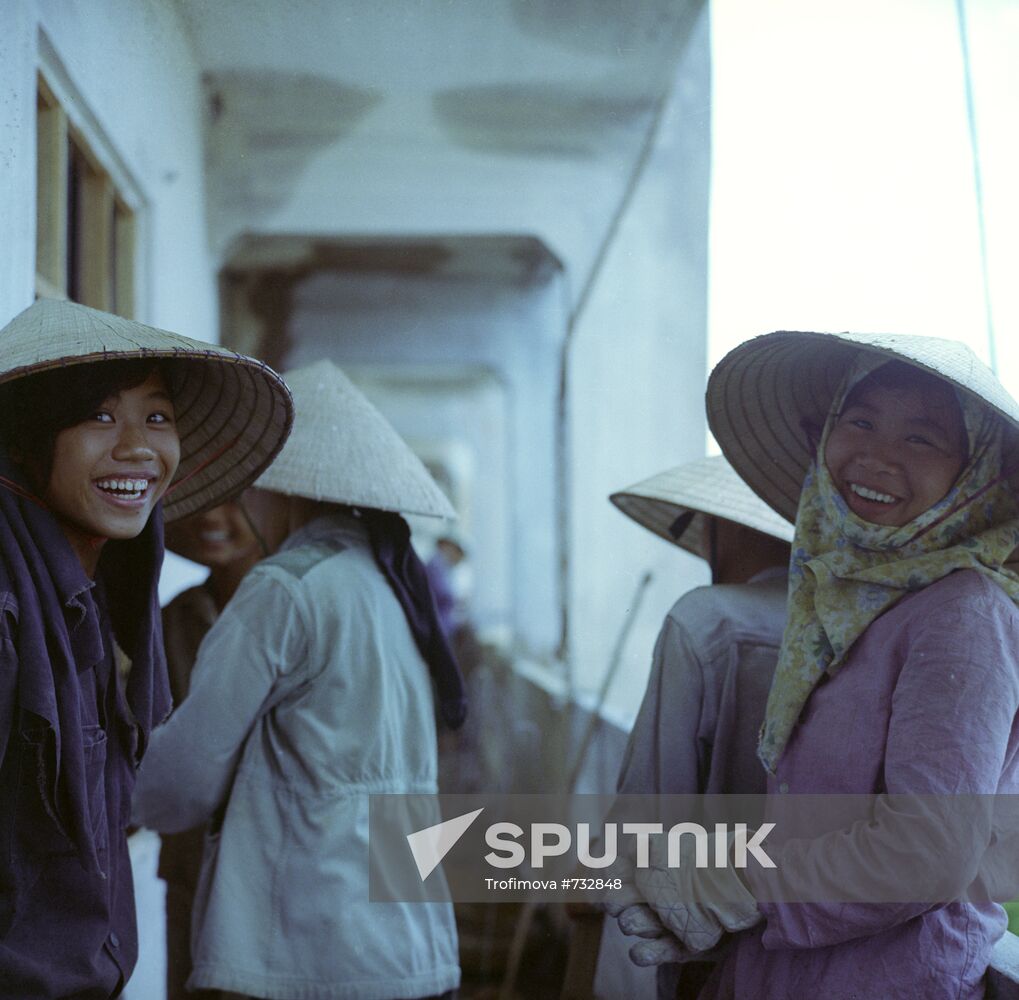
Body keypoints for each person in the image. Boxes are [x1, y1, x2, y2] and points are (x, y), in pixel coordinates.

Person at [621, 331, 1019, 999]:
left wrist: (737, 888)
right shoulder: (854, 599)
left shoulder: (964, 612)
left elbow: (927, 853)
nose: (874, 455)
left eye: (920, 439)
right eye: (857, 421)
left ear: (974, 474)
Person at [133, 359, 464, 999]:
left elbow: (183, 785)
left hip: (307, 951)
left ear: (277, 483)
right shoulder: (388, 582)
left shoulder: (286, 587)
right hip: (410, 946)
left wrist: (118, 797)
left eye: (246, 479)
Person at [0, 298, 291, 999]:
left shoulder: (91, 607)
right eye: (99, 415)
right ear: (27, 439)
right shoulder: (11, 606)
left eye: (157, 417)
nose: (138, 448)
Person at [580, 456, 791, 1000]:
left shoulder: (707, 620)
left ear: (725, 525)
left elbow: (648, 813)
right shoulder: (845, 625)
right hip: (816, 937)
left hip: (706, 942)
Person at [159, 498, 264, 1000]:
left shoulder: (300, 611)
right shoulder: (172, 619)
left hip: (279, 864)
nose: (212, 517)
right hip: (192, 859)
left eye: (239, 501)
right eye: (203, 499)